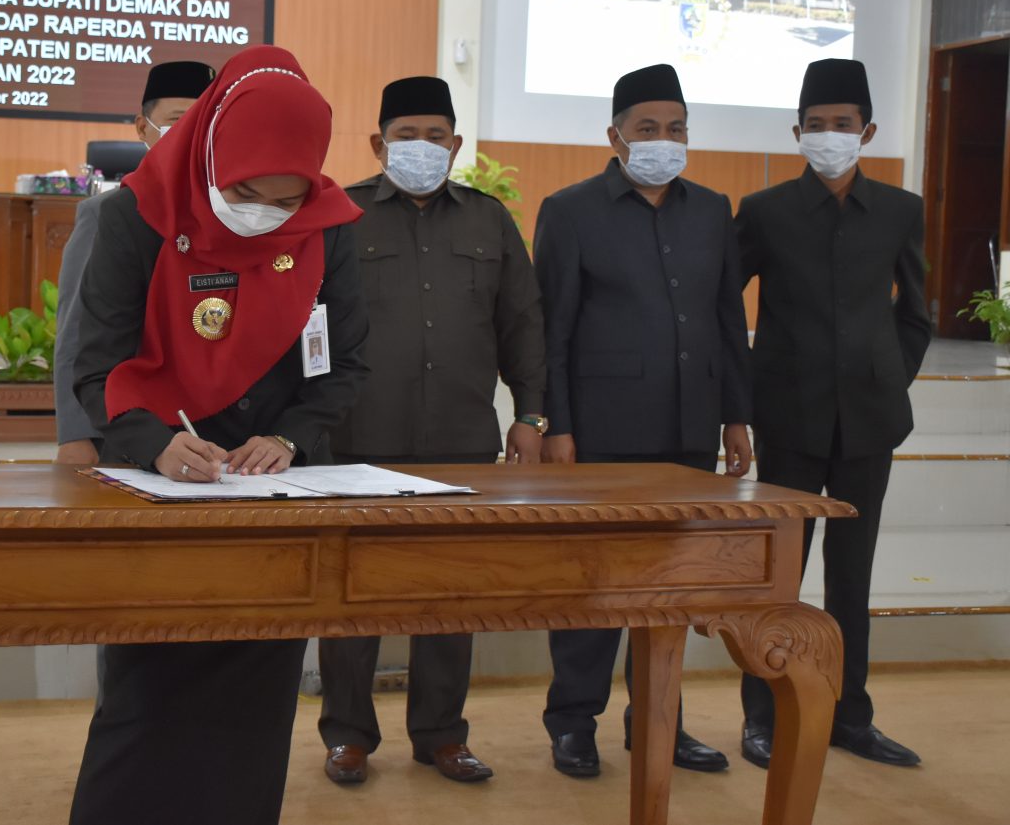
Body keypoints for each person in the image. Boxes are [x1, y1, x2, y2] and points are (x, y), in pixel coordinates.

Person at [68, 44, 369, 825]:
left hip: (275, 492)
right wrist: (154, 441)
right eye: (244, 191)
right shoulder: (135, 215)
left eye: (285, 197)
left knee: (255, 707)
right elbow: (96, 363)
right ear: (208, 152)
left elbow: (344, 365)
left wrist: (292, 437)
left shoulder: (329, 229)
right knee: (146, 696)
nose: (264, 211)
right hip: (160, 483)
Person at [317, 76, 546, 786]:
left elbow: (522, 324)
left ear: (456, 143)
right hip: (357, 439)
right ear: (378, 143)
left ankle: (442, 735)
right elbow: (308, 324)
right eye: (406, 135)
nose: (422, 147)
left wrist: (531, 415)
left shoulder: (489, 220)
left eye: (435, 136)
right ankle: (347, 735)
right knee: (350, 595)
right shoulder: (338, 216)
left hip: (460, 438)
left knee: (450, 594)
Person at [534, 63, 751, 779]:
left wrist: (736, 416)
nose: (664, 140)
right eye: (649, 128)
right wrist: (557, 426)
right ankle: (573, 722)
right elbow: (553, 331)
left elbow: (728, 319)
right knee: (593, 581)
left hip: (690, 428)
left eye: (677, 128)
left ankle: (661, 720)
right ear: (616, 136)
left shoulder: (712, 209)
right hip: (601, 432)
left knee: (672, 583)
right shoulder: (570, 210)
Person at [734, 59, 929, 769]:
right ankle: (762, 718)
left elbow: (916, 313)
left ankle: (851, 716)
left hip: (869, 424)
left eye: (841, 124)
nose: (828, 135)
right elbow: (725, 306)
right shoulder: (765, 211)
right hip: (788, 419)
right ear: (797, 133)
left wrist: (886, 377)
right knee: (780, 578)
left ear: (867, 132)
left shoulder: (901, 210)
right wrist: (746, 396)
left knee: (853, 579)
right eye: (814, 125)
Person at [54, 60, 215, 466]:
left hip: (208, 427)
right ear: (143, 128)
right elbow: (76, 332)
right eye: (178, 120)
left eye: (206, 122)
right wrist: (76, 434)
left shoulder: (230, 213)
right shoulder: (108, 213)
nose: (192, 133)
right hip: (123, 423)